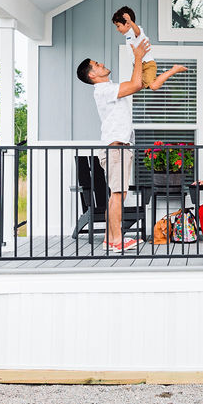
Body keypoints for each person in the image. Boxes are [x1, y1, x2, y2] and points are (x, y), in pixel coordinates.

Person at [75, 38, 151, 252]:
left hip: (120, 148)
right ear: (92, 75)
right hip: (116, 149)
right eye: (97, 64)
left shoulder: (109, 88)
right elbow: (136, 84)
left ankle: (111, 239)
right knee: (117, 194)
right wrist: (138, 57)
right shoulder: (102, 90)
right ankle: (116, 241)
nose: (101, 64)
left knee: (118, 194)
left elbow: (136, 83)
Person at [111, 6, 186, 90]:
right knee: (135, 86)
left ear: (128, 24)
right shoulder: (128, 35)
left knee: (153, 86)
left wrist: (131, 21)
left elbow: (137, 32)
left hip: (147, 65)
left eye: (118, 26)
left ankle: (174, 70)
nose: (117, 29)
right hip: (138, 66)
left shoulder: (135, 30)